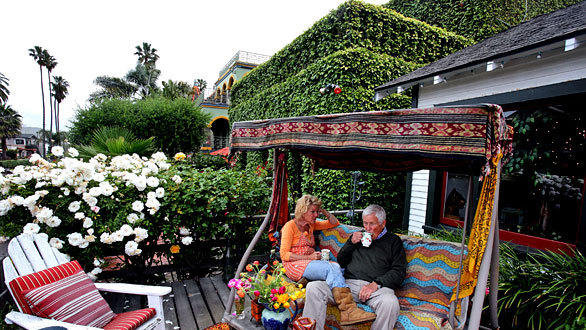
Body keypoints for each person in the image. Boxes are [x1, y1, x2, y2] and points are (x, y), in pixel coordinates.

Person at [303, 204, 407, 330]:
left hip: (376, 290)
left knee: (390, 303)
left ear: (383, 223)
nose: (367, 229)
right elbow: (341, 260)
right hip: (348, 285)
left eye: (372, 224)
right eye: (365, 223)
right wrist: (350, 243)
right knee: (314, 287)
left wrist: (376, 284)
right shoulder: (358, 237)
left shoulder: (393, 241)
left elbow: (399, 271)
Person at [281, 195, 376, 325]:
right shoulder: (290, 226)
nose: (316, 215)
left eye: (317, 211)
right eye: (313, 212)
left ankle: (311, 282)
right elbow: (284, 255)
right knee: (333, 268)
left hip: (310, 263)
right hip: (294, 264)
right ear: (303, 211)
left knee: (336, 266)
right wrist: (309, 257)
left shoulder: (311, 225)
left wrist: (323, 211)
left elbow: (334, 222)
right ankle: (348, 309)